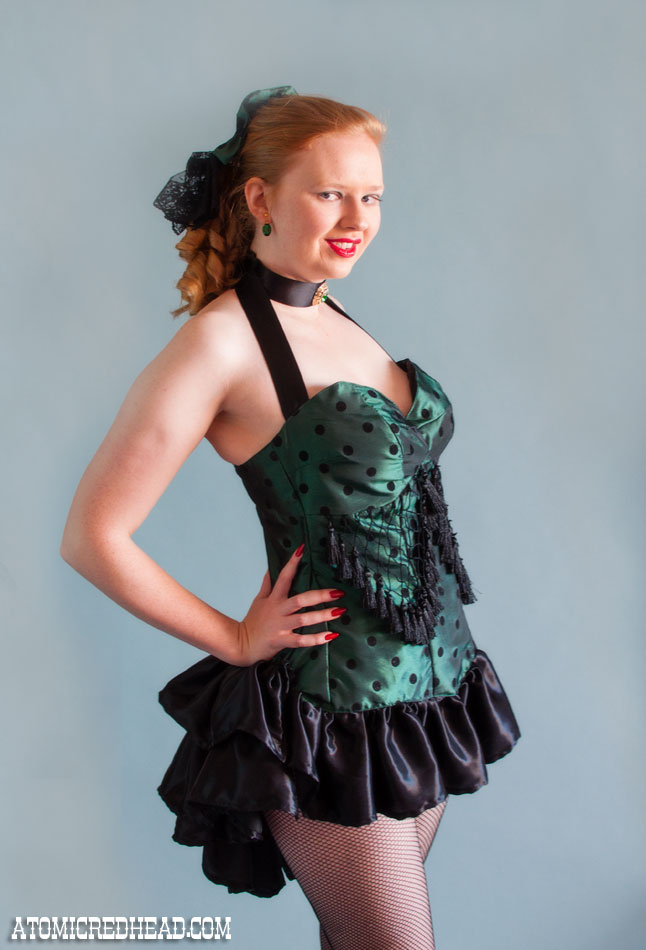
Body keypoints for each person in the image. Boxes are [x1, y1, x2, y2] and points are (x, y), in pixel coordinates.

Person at [60, 85, 521, 950]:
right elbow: (93, 534)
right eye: (330, 193)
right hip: (330, 713)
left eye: (371, 196)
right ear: (260, 196)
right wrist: (236, 638)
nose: (357, 219)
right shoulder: (221, 343)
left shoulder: (333, 310)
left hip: (427, 694)